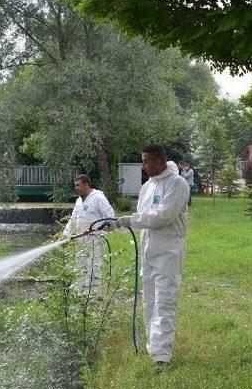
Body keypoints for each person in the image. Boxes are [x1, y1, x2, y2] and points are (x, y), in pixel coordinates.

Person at [116, 145, 189, 369]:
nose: (143, 166)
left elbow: (163, 216)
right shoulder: (147, 187)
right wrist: (121, 223)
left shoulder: (177, 184)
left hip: (168, 254)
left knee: (164, 303)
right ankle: (152, 347)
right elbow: (143, 217)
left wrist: (129, 220)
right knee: (149, 302)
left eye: (146, 162)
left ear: (158, 161)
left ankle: (162, 357)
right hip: (148, 254)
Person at [63, 174, 115, 294]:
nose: (76, 188)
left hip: (95, 240)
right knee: (79, 267)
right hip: (80, 240)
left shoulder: (98, 198)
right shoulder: (79, 201)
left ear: (86, 184)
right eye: (75, 185)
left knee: (93, 267)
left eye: (78, 185)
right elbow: (73, 219)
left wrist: (95, 229)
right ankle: (78, 293)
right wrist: (66, 233)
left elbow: (110, 218)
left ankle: (92, 296)